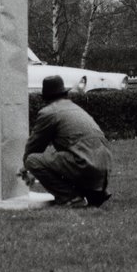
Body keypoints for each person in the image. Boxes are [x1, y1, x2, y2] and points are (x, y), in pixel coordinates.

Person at [21, 75, 112, 207]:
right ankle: (94, 194)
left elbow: (34, 147)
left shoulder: (48, 113)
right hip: (104, 164)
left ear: (45, 97)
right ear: (64, 93)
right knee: (64, 157)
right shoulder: (75, 108)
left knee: (32, 160)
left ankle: (71, 198)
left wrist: (25, 168)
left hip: (85, 162)